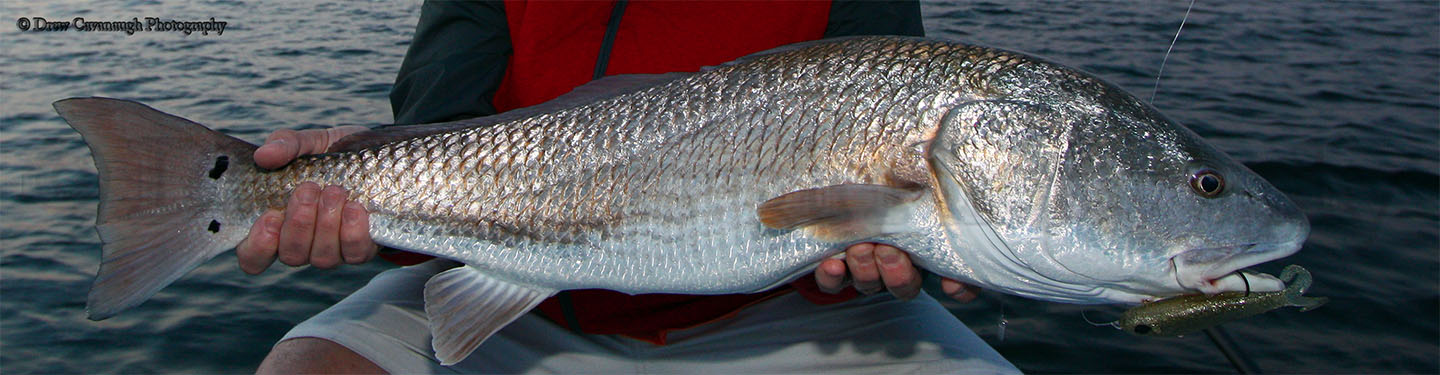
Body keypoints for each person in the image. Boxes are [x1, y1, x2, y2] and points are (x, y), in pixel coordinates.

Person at [240, 1, 1019, 373]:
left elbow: (894, 141)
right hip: (521, 297)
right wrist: (351, 188)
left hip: (785, 311)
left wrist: (902, 237)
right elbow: (438, 121)